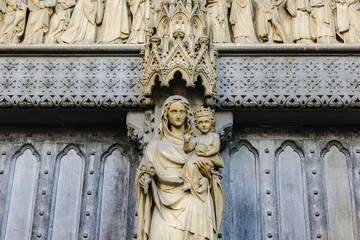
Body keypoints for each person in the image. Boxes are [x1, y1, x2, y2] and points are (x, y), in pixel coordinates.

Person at [136, 95, 223, 240]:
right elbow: (144, 172)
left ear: (187, 115)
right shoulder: (155, 146)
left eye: (181, 112)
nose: (178, 116)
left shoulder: (198, 143)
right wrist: (145, 178)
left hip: (194, 199)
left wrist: (206, 172)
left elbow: (213, 172)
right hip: (163, 204)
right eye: (173, 111)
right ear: (166, 115)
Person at [181, 106, 223, 202]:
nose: (203, 125)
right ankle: (192, 182)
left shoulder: (214, 136)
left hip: (209, 161)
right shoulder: (196, 139)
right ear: (196, 124)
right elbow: (187, 149)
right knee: (189, 163)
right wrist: (186, 141)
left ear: (212, 123)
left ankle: (200, 182)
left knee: (192, 162)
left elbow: (216, 148)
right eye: (200, 122)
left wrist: (206, 154)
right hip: (199, 160)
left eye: (206, 122)